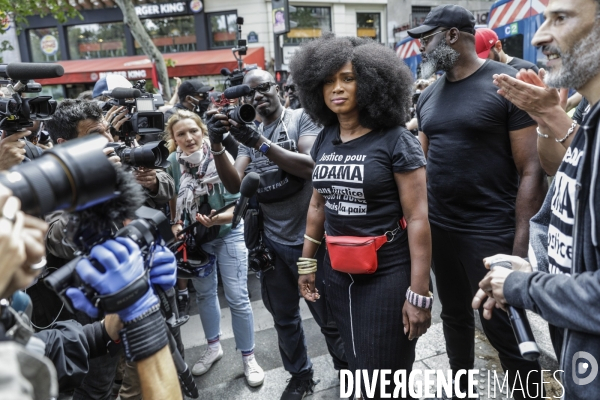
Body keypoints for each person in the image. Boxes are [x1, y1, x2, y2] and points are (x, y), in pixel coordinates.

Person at [409, 5, 547, 398]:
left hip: (490, 232)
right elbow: (423, 164)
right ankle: (461, 387)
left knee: (503, 326)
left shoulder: (503, 85)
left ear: (452, 36)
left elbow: (532, 171)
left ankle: (529, 393)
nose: (421, 46)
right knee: (453, 316)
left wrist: (518, 247)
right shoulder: (430, 95)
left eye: (427, 37)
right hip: (443, 230)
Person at [290, 33, 432, 398]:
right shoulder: (324, 138)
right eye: (327, 81)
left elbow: (417, 219)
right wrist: (307, 264)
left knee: (386, 376)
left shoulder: (395, 139)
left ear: (370, 83)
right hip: (337, 272)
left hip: (386, 274)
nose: (336, 88)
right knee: (355, 363)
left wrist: (419, 295)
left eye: (347, 78)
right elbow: (318, 205)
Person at [473, 1, 600, 398]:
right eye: (544, 19)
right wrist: (533, 267)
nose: (541, 36)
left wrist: (524, 285)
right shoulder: (591, 119)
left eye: (559, 18)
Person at [206, 68, 348, 400]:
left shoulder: (302, 119)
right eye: (250, 92)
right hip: (271, 243)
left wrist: (260, 143)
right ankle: (300, 376)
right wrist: (216, 144)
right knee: (284, 319)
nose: (257, 95)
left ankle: (348, 372)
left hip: (313, 243)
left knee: (329, 318)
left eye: (264, 87)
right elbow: (234, 185)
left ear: (278, 88)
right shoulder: (246, 134)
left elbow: (312, 166)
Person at [164, 110, 265, 387]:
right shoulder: (174, 161)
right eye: (181, 134)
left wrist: (216, 219)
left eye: (193, 131)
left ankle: (248, 357)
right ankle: (213, 347)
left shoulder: (220, 156)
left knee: (237, 296)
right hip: (197, 238)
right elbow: (174, 194)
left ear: (203, 131)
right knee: (207, 295)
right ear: (173, 139)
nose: (188, 138)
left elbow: (238, 204)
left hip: (229, 232)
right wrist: (176, 222)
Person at [475, 28, 540, 72]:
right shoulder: (479, 73)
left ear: (498, 46)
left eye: (485, 57)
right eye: (478, 59)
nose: (483, 62)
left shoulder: (527, 69)